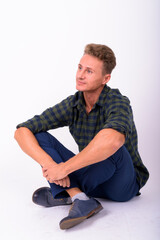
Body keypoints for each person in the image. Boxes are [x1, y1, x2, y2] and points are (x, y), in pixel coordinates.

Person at [14, 43, 149, 230]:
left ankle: (64, 193)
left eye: (89, 71)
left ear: (105, 78)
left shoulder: (118, 101)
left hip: (122, 184)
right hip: (93, 177)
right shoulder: (74, 103)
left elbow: (114, 141)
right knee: (37, 134)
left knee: (114, 146)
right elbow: (21, 131)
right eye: (79, 68)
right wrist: (52, 166)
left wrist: (64, 169)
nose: (80, 75)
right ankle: (79, 196)